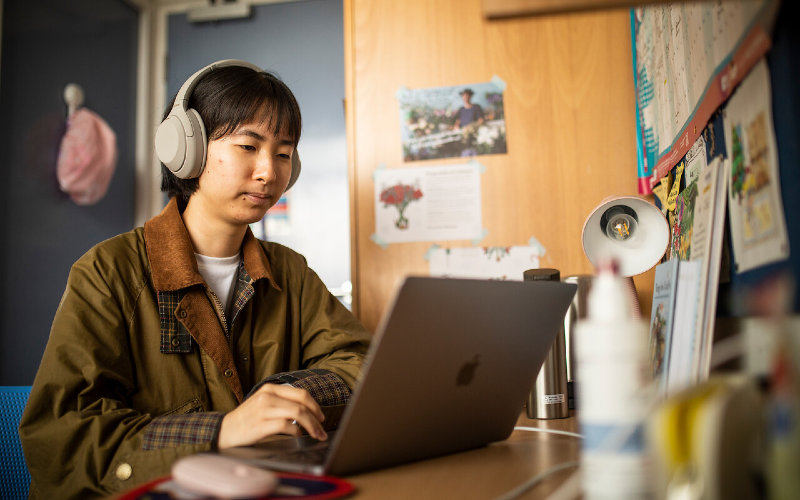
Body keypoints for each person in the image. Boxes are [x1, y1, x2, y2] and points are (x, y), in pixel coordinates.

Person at [19, 60, 372, 499]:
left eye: (284, 154)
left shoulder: (290, 271)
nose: (269, 172)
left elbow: (360, 363)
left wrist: (284, 396)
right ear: (187, 148)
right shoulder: (107, 272)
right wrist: (222, 430)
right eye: (248, 146)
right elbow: (61, 436)